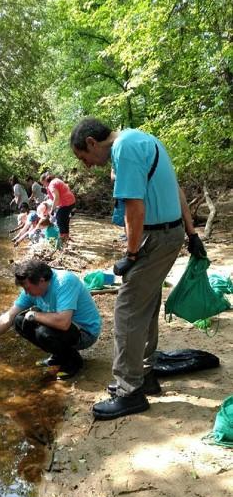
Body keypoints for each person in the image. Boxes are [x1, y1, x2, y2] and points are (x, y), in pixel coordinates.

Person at [70, 117, 206, 421]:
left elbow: (135, 207)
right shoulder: (142, 138)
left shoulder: (125, 149)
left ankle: (129, 391)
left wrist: (131, 255)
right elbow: (177, 189)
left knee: (127, 311)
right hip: (167, 234)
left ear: (92, 143)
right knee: (144, 305)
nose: (89, 166)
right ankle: (143, 375)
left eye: (84, 158)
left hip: (155, 237)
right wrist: (191, 232)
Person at [0, 259, 101, 379]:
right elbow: (8, 317)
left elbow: (63, 323)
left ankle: (73, 362)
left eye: (27, 288)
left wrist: (35, 315)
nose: (26, 292)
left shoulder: (64, 282)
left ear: (41, 280)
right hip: (66, 329)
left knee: (42, 332)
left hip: (85, 333)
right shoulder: (32, 289)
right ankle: (59, 355)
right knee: (19, 321)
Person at [40, 173, 76, 243]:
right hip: (71, 201)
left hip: (67, 203)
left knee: (59, 219)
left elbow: (56, 198)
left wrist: (52, 210)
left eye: (43, 183)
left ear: (45, 180)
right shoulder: (56, 180)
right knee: (65, 220)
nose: (43, 185)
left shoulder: (51, 185)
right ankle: (66, 237)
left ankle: (62, 238)